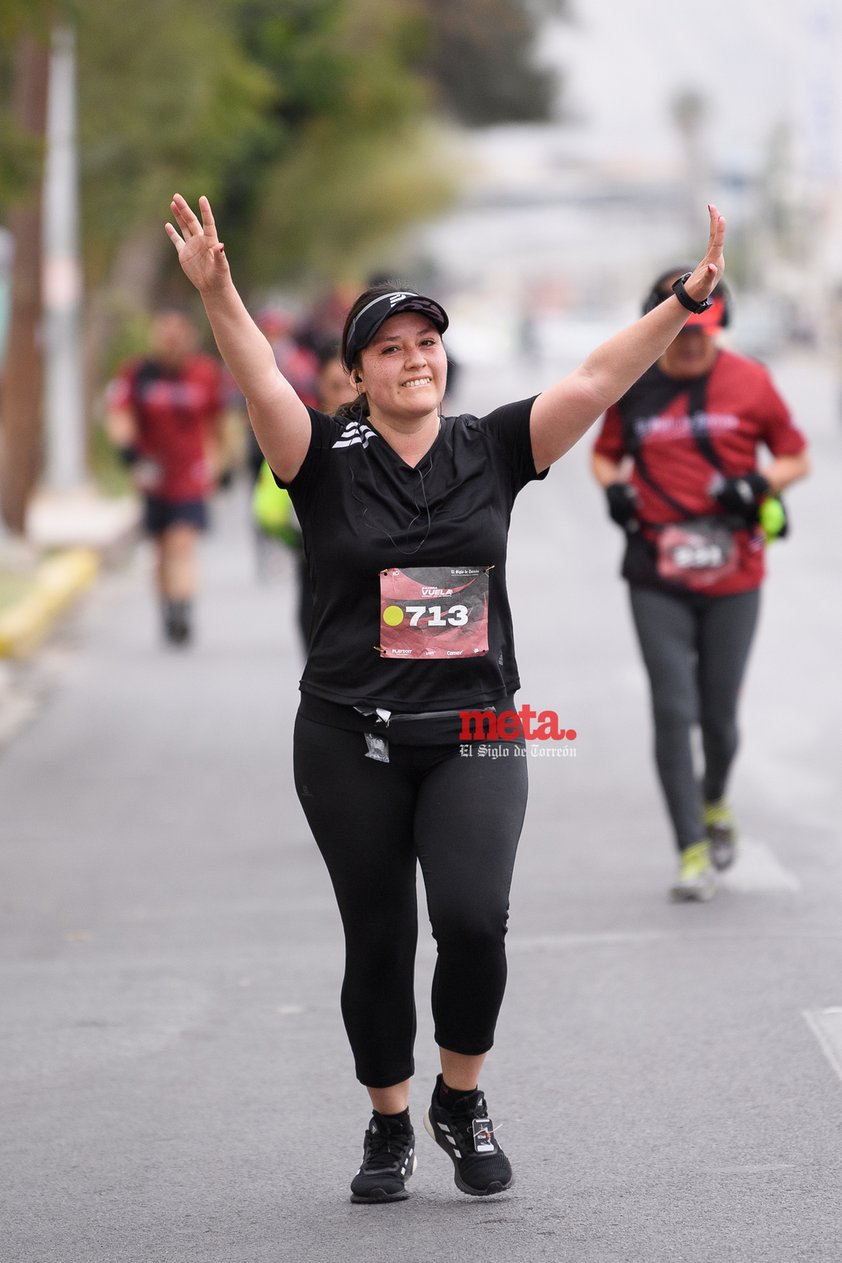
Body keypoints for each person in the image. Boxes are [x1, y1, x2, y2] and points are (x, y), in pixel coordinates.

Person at [165, 192, 726, 1201]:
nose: (412, 357)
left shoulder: (493, 447)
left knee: (471, 919)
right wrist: (220, 295)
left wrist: (683, 300)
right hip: (347, 736)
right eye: (389, 348)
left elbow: (599, 377)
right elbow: (255, 375)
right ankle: (387, 1123)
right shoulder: (317, 459)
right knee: (375, 937)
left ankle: (458, 1097)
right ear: (356, 373)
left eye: (426, 341)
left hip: (474, 727)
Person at [591, 269, 810, 902]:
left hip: (735, 572)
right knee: (673, 709)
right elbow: (604, 454)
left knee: (719, 718)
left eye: (703, 333)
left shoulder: (751, 381)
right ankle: (690, 848)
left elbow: (796, 455)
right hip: (655, 571)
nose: (690, 346)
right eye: (679, 333)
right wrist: (615, 490)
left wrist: (762, 485)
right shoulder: (631, 385)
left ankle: (714, 799)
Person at [106, 307, 223, 645]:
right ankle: (167, 607)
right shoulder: (137, 373)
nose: (172, 339)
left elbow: (216, 423)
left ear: (189, 336)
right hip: (153, 475)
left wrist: (217, 464)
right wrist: (131, 457)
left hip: (190, 474)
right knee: (160, 548)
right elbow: (119, 414)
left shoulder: (204, 373)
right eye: (165, 331)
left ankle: (182, 609)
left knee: (182, 543)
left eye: (178, 331)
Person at [252, 340, 355, 648]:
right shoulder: (301, 438)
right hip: (316, 568)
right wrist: (300, 542)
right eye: (336, 386)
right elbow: (267, 508)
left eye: (353, 385)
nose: (346, 396)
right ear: (320, 385)